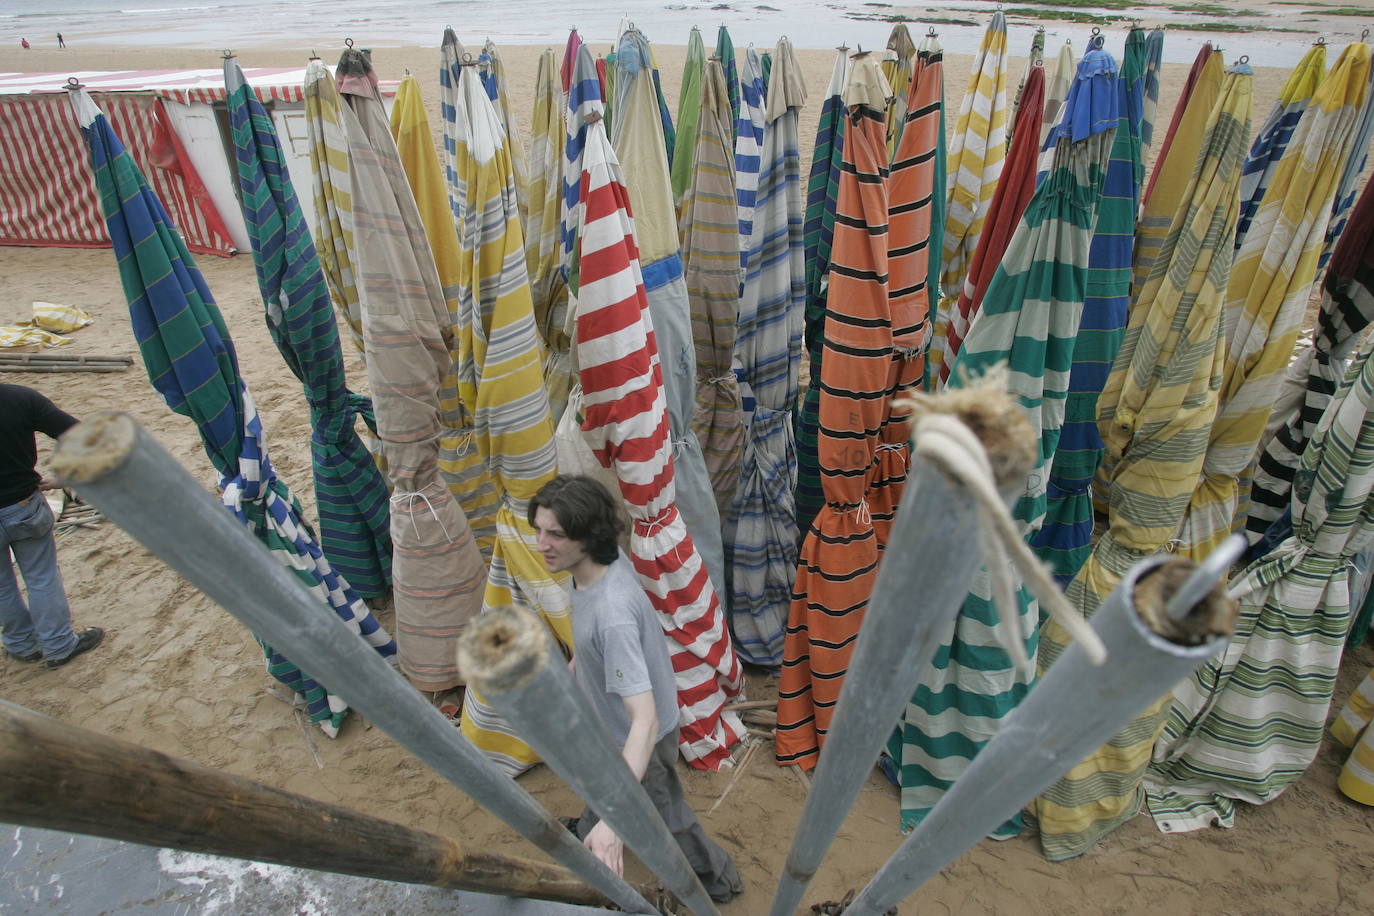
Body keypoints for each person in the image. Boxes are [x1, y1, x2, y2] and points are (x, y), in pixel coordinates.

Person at [529, 474, 743, 903]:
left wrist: (615, 821)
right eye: (538, 530)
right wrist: (574, 671)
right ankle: (592, 828)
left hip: (640, 737)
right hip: (609, 725)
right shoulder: (595, 568)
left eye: (555, 535)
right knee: (603, 780)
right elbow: (592, 642)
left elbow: (643, 722)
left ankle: (718, 878)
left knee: (667, 817)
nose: (541, 545)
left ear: (587, 536)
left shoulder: (613, 614)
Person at [1, 384, 103, 668]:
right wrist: (67, 477)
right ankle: (59, 645)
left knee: (2, 586)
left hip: (22, 505)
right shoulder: (19, 398)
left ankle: (21, 644)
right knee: (41, 577)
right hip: (23, 505)